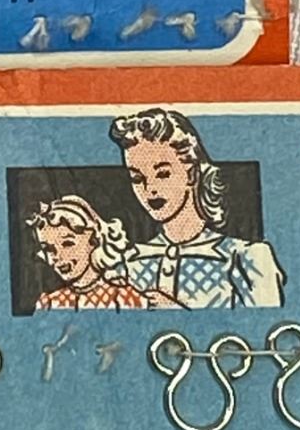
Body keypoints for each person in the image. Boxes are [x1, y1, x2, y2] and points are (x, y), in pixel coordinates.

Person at [110, 108, 285, 309]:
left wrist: (176, 311)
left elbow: (267, 322)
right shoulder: (127, 262)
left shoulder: (246, 257)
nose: (150, 189)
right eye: (137, 178)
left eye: (163, 174)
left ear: (192, 173)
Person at [27, 195, 161, 310]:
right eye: (48, 249)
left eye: (67, 244)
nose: (57, 256)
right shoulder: (49, 303)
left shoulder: (124, 297)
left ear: (94, 240)